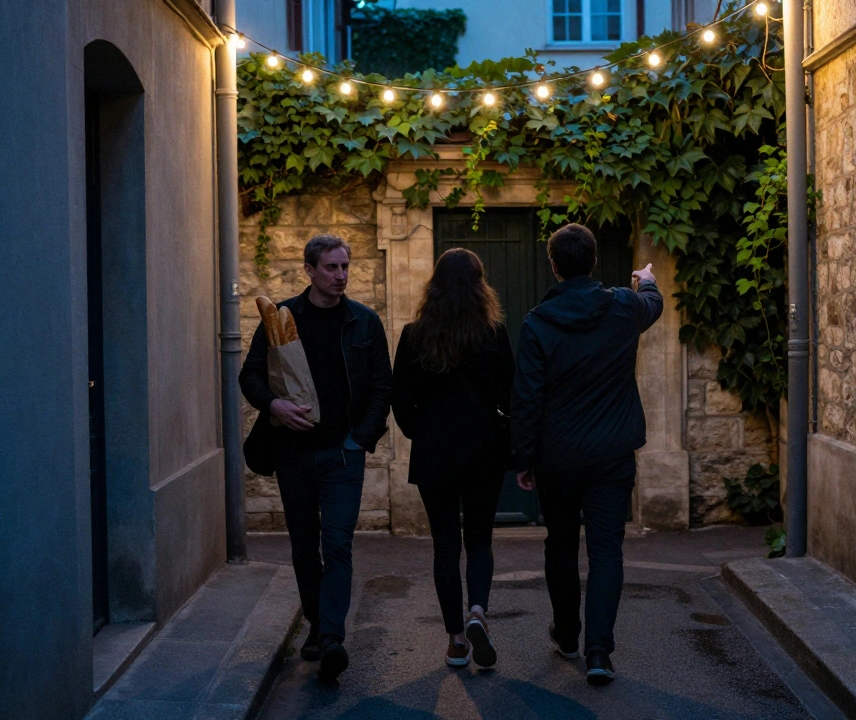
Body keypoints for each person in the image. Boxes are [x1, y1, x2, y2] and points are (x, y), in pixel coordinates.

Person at [511, 223, 663, 685]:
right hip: (612, 455)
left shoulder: (537, 323)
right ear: (594, 261)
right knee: (605, 549)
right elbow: (652, 304)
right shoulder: (623, 306)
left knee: (560, 544)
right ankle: (599, 651)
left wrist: (523, 457)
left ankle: (568, 633)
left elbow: (527, 396)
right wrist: (649, 280)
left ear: (553, 265)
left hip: (557, 457)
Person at [239, 234, 392, 684]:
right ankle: (316, 624)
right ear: (309, 270)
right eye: (331, 267)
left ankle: (331, 638)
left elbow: (382, 385)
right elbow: (250, 374)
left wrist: (358, 439)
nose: (341, 275)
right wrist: (275, 407)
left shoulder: (364, 322)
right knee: (305, 547)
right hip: (293, 455)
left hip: (343, 456)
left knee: (338, 545)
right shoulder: (282, 319)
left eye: (345, 266)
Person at [391, 248, 514, 670]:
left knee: (445, 547)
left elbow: (400, 400)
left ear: (435, 285)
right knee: (480, 540)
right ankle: (477, 610)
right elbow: (510, 395)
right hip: (484, 452)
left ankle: (457, 642)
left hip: (435, 454)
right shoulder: (494, 334)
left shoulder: (414, 334)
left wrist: (421, 432)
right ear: (480, 285)